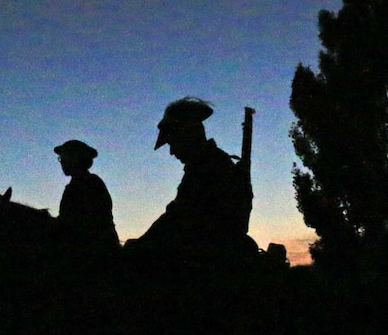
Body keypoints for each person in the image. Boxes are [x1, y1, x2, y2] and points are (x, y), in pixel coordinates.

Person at [125, 97, 254, 264]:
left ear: (187, 135)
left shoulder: (209, 167)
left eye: (172, 142)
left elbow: (177, 220)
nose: (171, 151)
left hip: (209, 265)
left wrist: (137, 247)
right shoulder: (210, 164)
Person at [53, 139, 120, 260]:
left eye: (65, 157)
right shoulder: (75, 185)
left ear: (76, 158)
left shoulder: (90, 183)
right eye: (61, 158)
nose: (62, 161)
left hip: (96, 254)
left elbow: (85, 221)